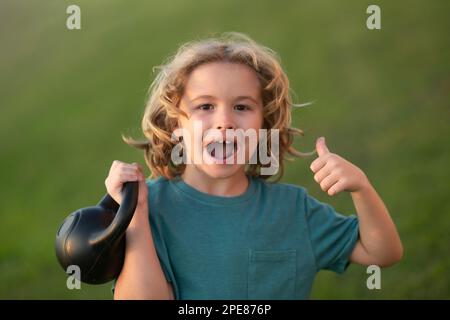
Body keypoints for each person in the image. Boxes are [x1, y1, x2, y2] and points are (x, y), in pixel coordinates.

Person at [107, 33, 403, 300]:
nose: (225, 121)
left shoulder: (292, 210)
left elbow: (382, 251)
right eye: (205, 106)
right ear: (176, 124)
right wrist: (135, 215)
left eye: (242, 107)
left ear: (264, 125)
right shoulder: (150, 208)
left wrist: (361, 188)